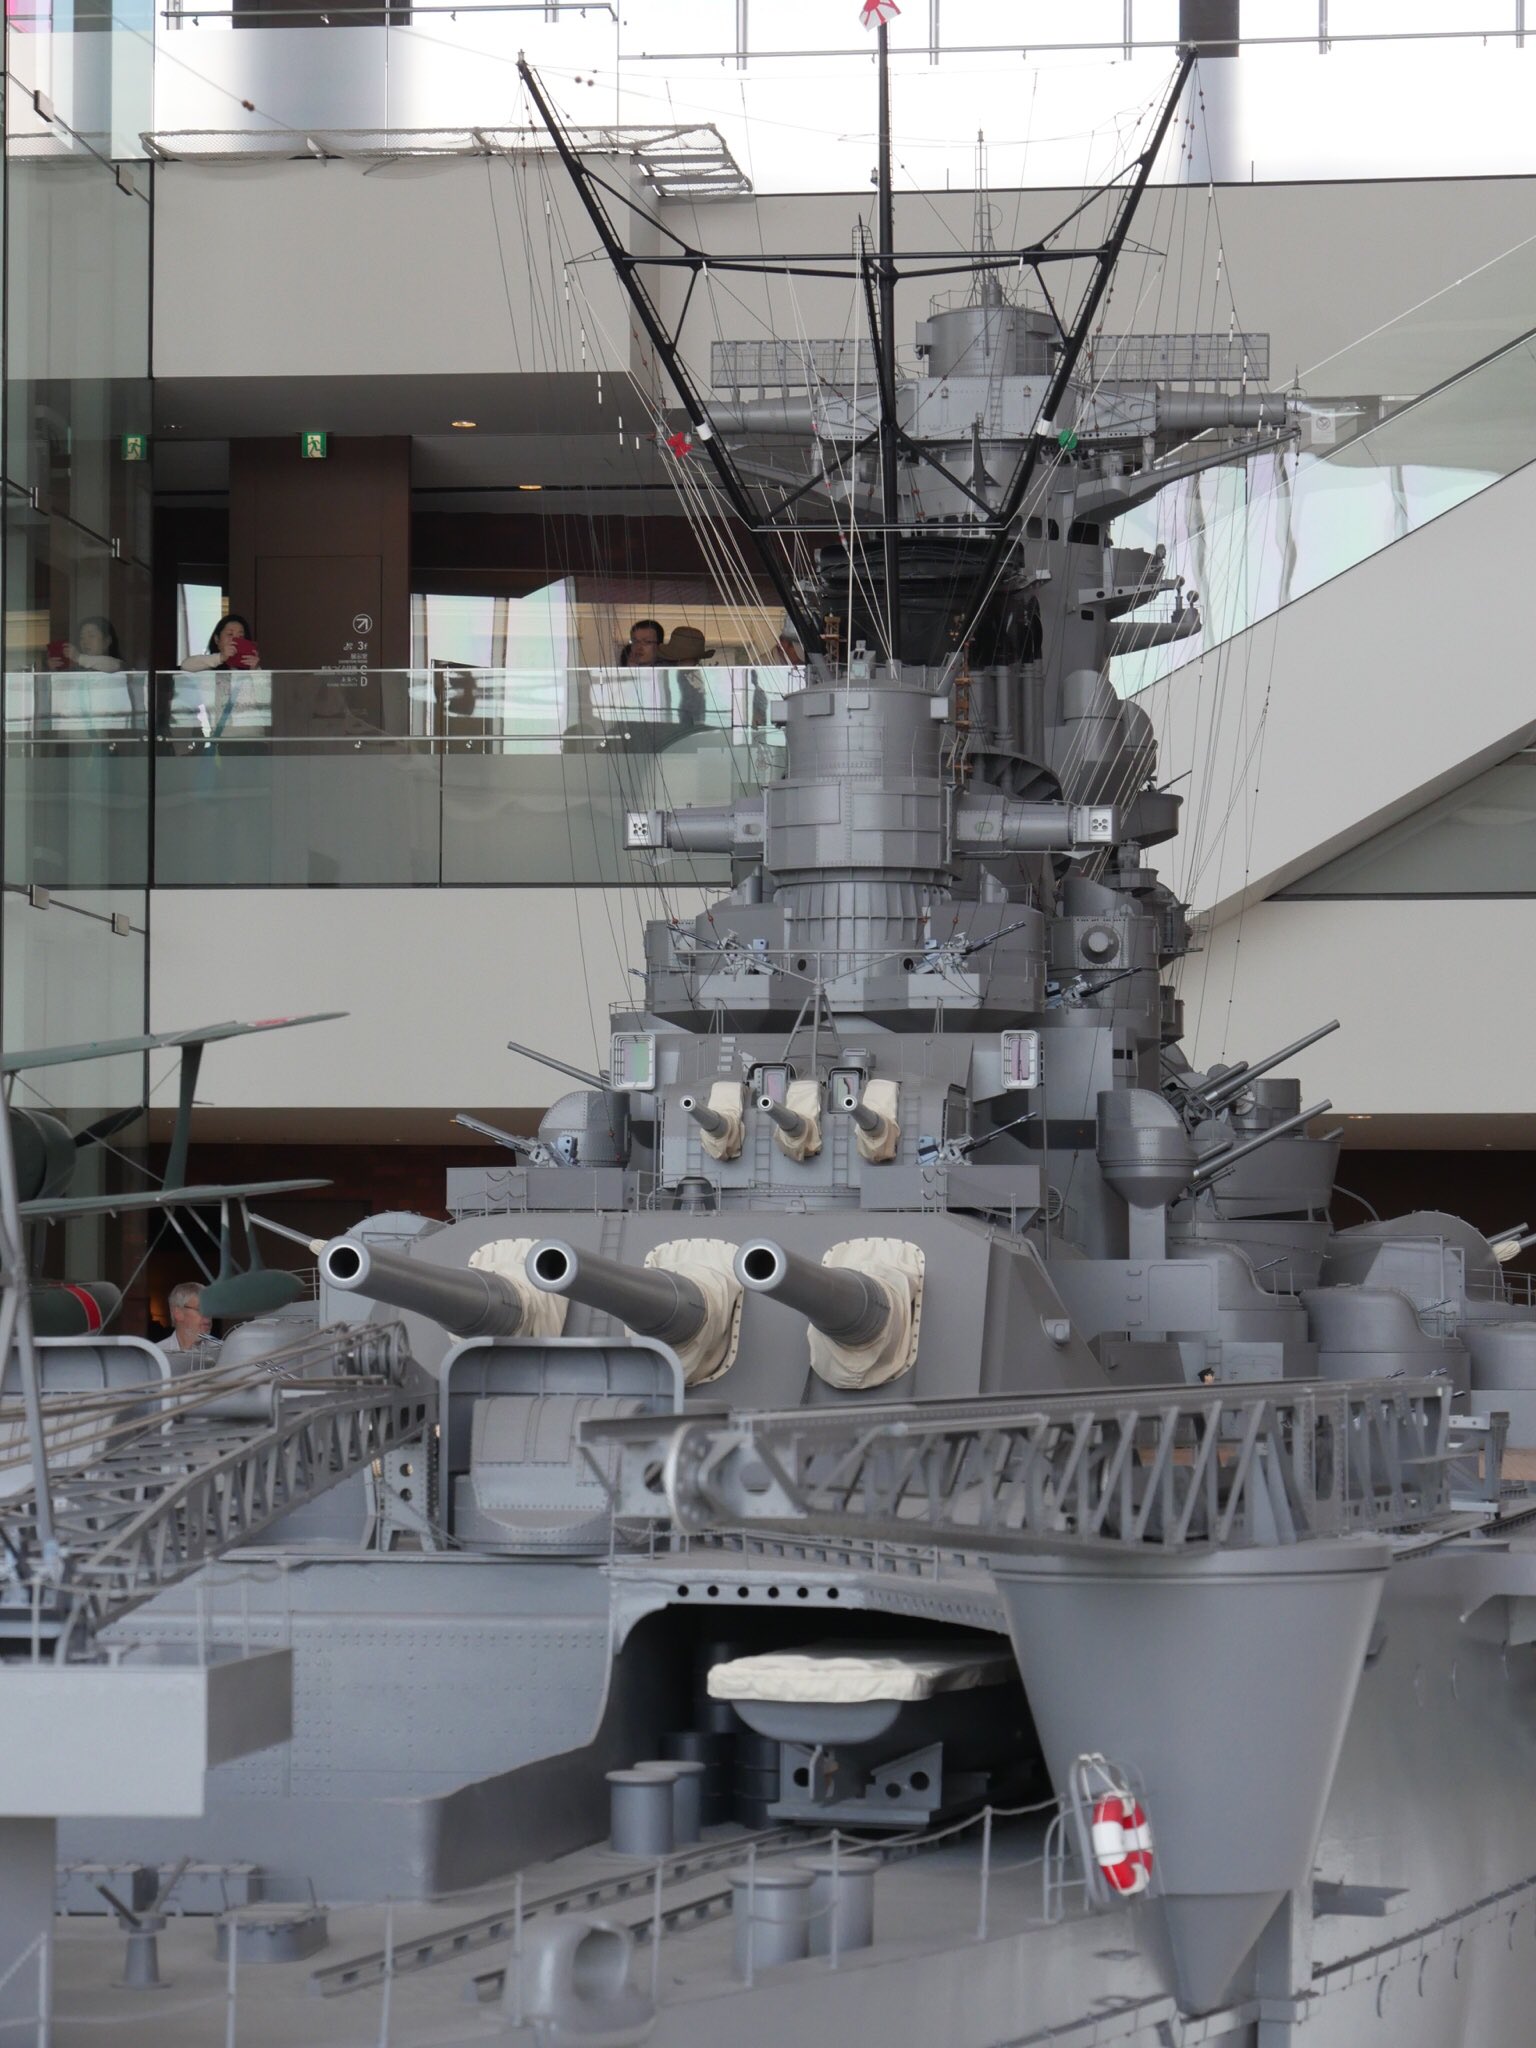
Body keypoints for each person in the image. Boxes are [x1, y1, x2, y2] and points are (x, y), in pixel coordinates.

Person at [662, 625, 714, 729]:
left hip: (691, 715)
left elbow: (699, 693)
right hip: (687, 713)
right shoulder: (685, 672)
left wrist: (699, 718)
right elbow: (699, 692)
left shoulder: (692, 672)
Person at [180, 613, 261, 674]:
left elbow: (263, 691)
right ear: (217, 639)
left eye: (241, 636)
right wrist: (221, 657)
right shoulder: (208, 665)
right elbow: (186, 666)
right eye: (230, 634)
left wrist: (255, 670)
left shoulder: (249, 670)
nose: (235, 640)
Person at [160, 1280, 215, 1367]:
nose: (207, 1315)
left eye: (210, 1309)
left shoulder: (223, 1352)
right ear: (178, 1313)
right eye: (200, 1309)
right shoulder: (158, 1355)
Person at [47, 616, 125, 673]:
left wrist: (78, 657)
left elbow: (114, 666)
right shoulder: (77, 669)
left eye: (91, 635)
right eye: (82, 637)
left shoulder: (116, 664)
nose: (85, 642)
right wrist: (53, 670)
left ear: (107, 641)